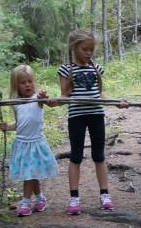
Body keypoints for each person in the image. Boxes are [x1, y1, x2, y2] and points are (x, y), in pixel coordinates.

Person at [54, 30, 126, 215]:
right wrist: (52, 101)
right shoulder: (66, 70)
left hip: (96, 115)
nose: (89, 53)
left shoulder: (96, 68)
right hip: (76, 117)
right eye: (85, 49)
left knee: (99, 155)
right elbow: (64, 96)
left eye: (91, 50)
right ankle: (74, 197)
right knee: (76, 156)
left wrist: (116, 102)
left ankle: (104, 195)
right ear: (74, 48)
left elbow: (99, 94)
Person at [0, 64, 59, 217]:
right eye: (23, 82)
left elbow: (45, 102)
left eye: (29, 81)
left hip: (35, 144)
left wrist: (45, 98)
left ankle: (25, 202)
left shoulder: (37, 100)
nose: (27, 85)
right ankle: (40, 199)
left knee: (29, 174)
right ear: (16, 86)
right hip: (22, 144)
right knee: (31, 173)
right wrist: (8, 127)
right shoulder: (16, 103)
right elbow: (19, 124)